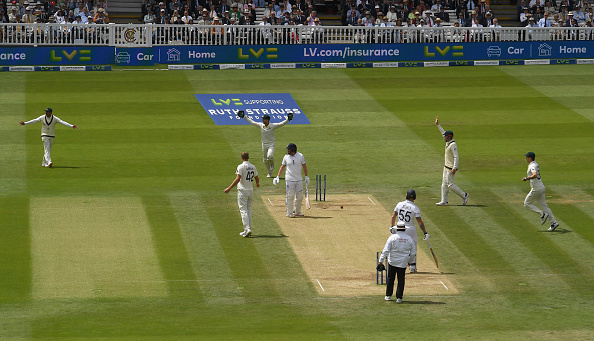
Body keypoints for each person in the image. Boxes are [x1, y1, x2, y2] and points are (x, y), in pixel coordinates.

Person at [237, 110, 293, 177]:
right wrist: (244, 116)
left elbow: (281, 124)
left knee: (269, 156)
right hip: (264, 144)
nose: (263, 120)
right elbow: (252, 122)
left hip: (271, 144)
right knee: (265, 160)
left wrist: (288, 119)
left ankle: (272, 164)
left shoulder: (272, 126)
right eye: (262, 119)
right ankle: (269, 173)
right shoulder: (261, 125)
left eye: (264, 119)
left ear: (268, 120)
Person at [391, 189, 429, 273]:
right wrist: (425, 232)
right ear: (414, 197)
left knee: (399, 246)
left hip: (399, 228)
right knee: (413, 247)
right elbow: (420, 222)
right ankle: (412, 266)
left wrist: (392, 227)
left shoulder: (399, 204)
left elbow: (393, 216)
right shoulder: (415, 208)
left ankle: (397, 265)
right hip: (410, 229)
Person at [435, 116, 469, 206]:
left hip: (450, 168)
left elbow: (456, 157)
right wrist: (438, 125)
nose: (444, 137)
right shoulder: (448, 142)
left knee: (450, 185)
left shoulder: (453, 145)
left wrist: (455, 168)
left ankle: (464, 195)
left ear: (449, 137)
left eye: (446, 136)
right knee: (444, 184)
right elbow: (443, 132)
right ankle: (444, 201)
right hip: (445, 167)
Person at [378, 221, 415, 302]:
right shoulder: (409, 239)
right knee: (401, 279)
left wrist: (381, 261)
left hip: (392, 262)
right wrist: (410, 261)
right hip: (403, 263)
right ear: (404, 229)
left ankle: (388, 295)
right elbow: (413, 253)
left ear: (397, 229)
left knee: (391, 278)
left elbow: (386, 250)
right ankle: (399, 298)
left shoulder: (392, 238)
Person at [224, 152, 260, 237]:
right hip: (250, 191)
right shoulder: (253, 166)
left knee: (243, 210)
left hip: (243, 191)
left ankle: (247, 229)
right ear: (248, 157)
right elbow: (256, 177)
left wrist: (229, 188)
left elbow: (237, 179)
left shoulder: (241, 166)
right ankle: (248, 228)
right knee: (249, 210)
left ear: (241, 158)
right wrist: (257, 183)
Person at [522, 152, 559, 231]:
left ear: (530, 157)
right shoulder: (535, 164)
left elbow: (534, 175)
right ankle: (554, 223)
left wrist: (527, 178)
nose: (526, 158)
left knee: (527, 203)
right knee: (544, 206)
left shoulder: (532, 165)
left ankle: (542, 214)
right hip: (541, 187)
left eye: (527, 157)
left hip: (536, 189)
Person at [273, 143, 309, 218]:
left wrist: (306, 176)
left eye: (289, 149)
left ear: (293, 150)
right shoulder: (286, 157)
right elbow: (282, 167)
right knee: (290, 196)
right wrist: (278, 177)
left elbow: (304, 166)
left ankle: (297, 211)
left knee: (299, 196)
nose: (288, 151)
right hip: (289, 179)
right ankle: (289, 212)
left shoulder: (300, 156)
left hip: (299, 179)